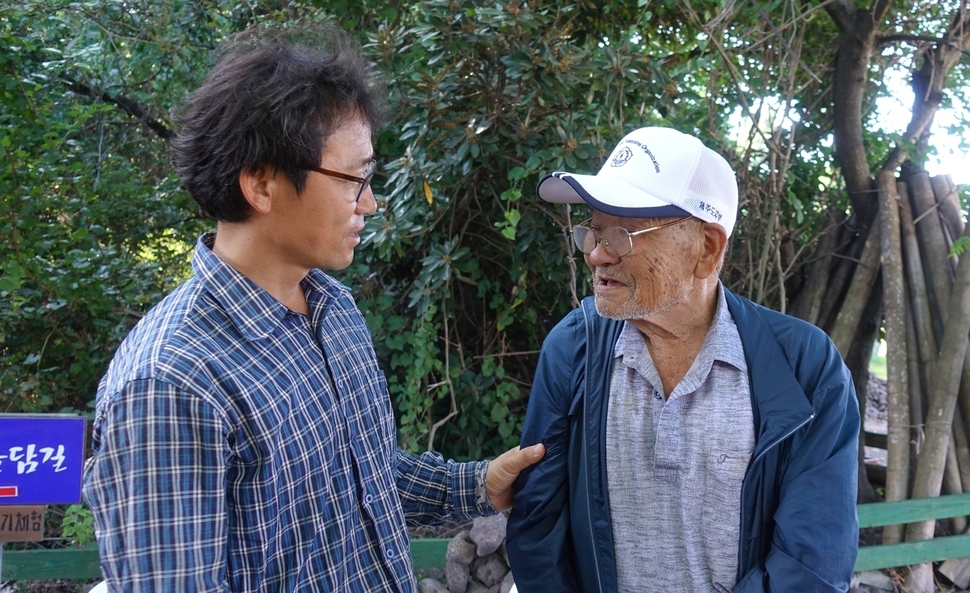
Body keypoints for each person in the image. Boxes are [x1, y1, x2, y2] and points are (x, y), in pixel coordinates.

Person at [82, 25, 543, 592]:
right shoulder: (171, 385)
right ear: (262, 185)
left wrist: (480, 484)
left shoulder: (333, 310)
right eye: (356, 180)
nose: (370, 205)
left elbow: (362, 482)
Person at [506, 127, 859, 592]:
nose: (596, 255)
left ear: (706, 248)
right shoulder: (574, 348)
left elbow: (813, 561)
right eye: (592, 232)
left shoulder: (803, 365)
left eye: (621, 234)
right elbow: (538, 530)